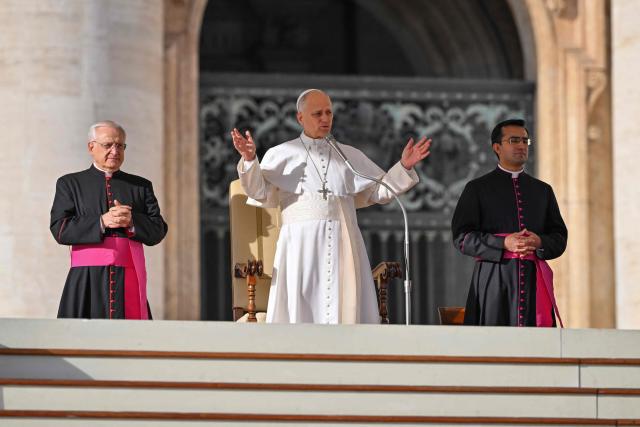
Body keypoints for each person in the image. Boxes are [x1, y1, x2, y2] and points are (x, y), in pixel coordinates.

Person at [231, 89, 431, 324]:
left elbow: (379, 191)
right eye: (317, 113)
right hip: (300, 248)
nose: (325, 118)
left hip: (343, 245)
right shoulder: (281, 154)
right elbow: (258, 191)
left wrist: (403, 167)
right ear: (300, 118)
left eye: (328, 113)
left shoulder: (348, 155)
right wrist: (249, 160)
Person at [451, 118, 567, 327]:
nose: (522, 145)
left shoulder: (543, 191)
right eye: (514, 140)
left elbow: (559, 237)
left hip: (534, 281)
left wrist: (539, 241)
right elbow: (462, 238)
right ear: (497, 147)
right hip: (493, 279)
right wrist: (503, 243)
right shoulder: (477, 188)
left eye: (525, 141)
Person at [50, 120, 167, 319]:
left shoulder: (140, 186)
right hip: (86, 279)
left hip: (128, 277)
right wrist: (102, 221)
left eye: (120, 145)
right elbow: (60, 229)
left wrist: (132, 221)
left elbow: (158, 229)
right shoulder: (69, 183)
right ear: (91, 147)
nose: (115, 151)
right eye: (108, 145)